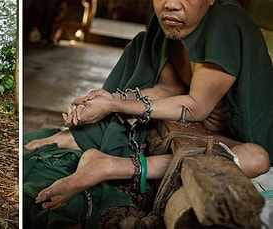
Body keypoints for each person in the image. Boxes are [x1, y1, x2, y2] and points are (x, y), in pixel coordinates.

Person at [23, 0, 273, 227]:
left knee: (256, 158)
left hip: (234, 137)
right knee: (142, 44)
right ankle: (81, 138)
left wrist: (115, 106)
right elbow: (168, 88)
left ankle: (111, 166)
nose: (171, 4)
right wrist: (108, 99)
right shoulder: (167, 21)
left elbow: (196, 106)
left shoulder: (225, 21)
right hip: (194, 127)